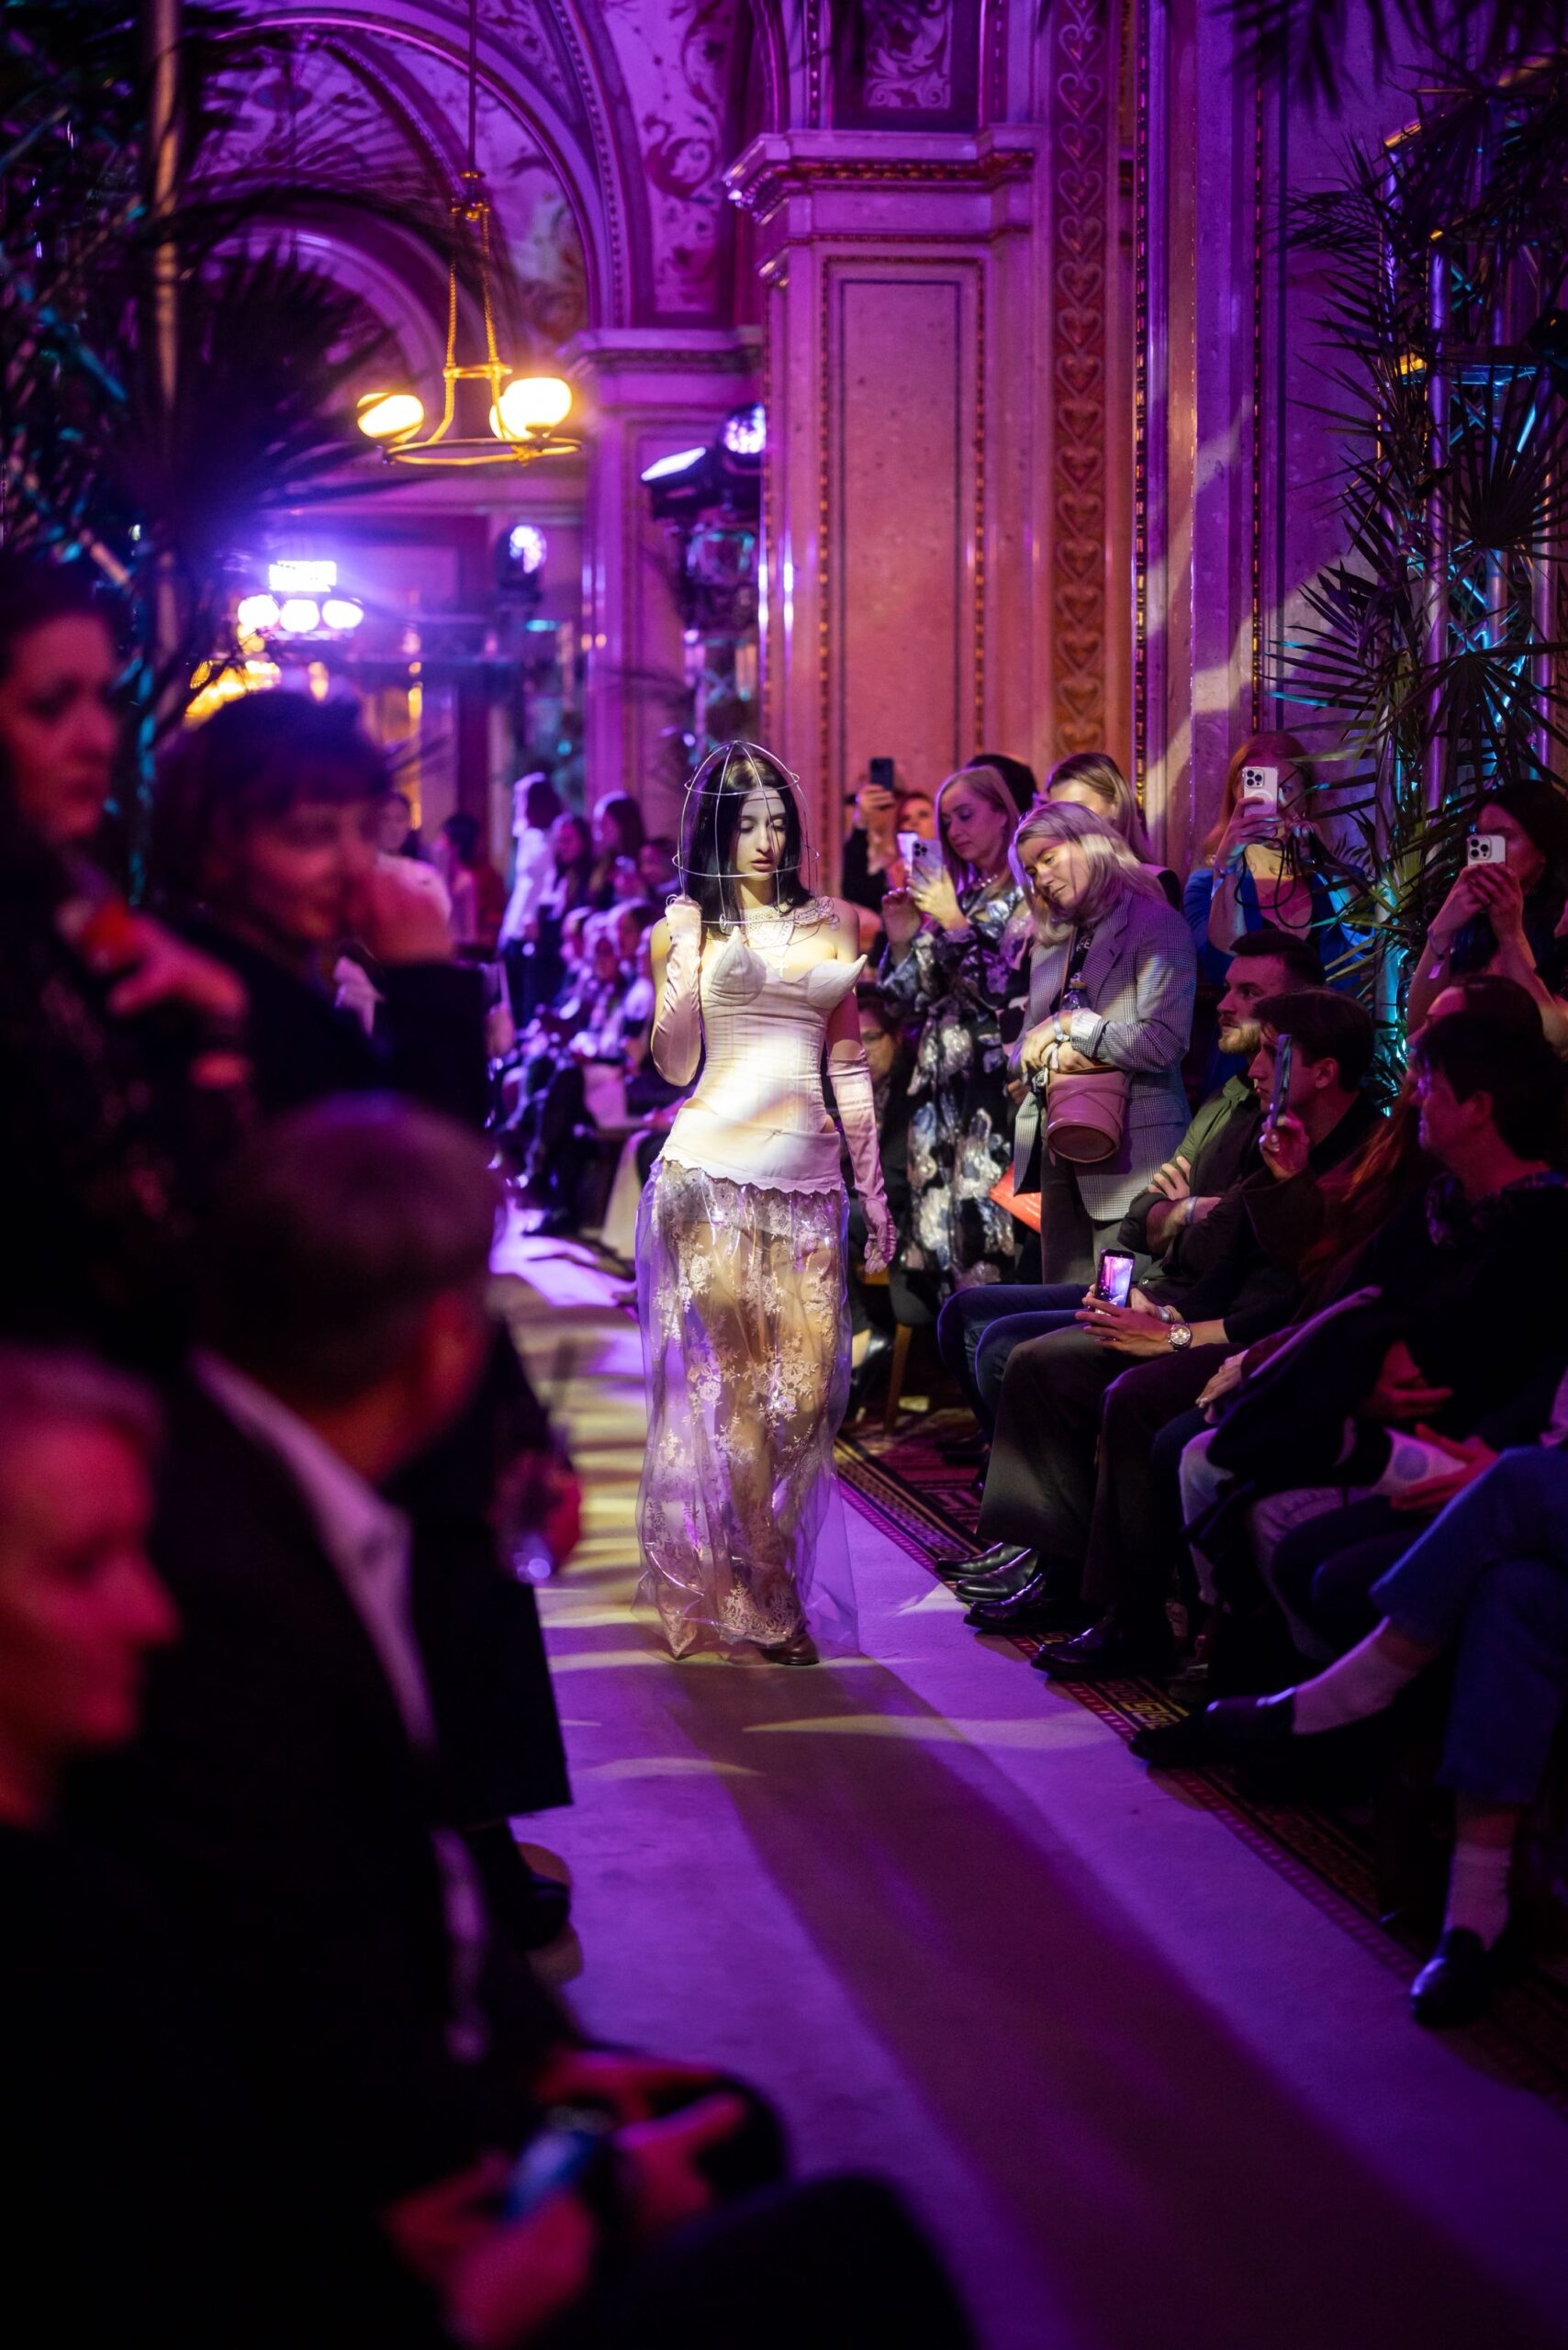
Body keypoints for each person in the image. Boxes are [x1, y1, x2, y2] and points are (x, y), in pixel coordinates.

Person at [955, 989, 1378, 1652]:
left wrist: (1175, 1336)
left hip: (1273, 1343)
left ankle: (1135, 1618)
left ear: (1325, 1071)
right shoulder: (1271, 1130)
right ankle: (1058, 1573)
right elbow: (1217, 1254)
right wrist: (1169, 1310)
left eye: (1273, 1054)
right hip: (1214, 1315)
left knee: (1130, 1395)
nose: (1255, 1067)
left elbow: (1305, 1293)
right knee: (1041, 1359)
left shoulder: (1366, 1155)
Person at [636, 743, 895, 1662]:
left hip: (810, 1179)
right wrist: (682, 959)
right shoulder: (681, 929)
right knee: (741, 1385)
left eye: (778, 822)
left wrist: (874, 1190)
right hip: (706, 1172)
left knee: (809, 1393)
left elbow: (847, 1065)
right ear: (715, 831)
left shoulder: (834, 923)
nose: (765, 840)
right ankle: (769, 1572)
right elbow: (674, 1064)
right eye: (746, 824)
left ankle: (756, 1543)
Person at [934, 926, 1322, 1444]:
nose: (1224, 1005)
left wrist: (1178, 1229)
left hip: (1180, 1304)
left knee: (1006, 1346)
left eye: (1248, 993)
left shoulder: (1284, 1128)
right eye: (1228, 988)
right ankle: (1016, 1458)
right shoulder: (1226, 1097)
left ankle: (1052, 1478)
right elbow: (1144, 1220)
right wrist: (1182, 1212)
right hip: (1157, 1285)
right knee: (964, 1314)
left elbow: (1219, 1244)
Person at [0, 553, 249, 1357]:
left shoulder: (71, 903)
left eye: (103, 701)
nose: (97, 739)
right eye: (51, 706)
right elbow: (159, 1250)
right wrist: (218, 1035)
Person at [151, 691, 490, 1125]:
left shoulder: (279, 980)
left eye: (367, 828)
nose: (356, 863)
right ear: (219, 845)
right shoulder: (208, 1002)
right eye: (311, 834)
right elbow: (425, 1154)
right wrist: (424, 979)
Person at [1006, 798, 1197, 1282]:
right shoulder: (1051, 944)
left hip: (1133, 1163)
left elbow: (1164, 1043)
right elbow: (1021, 1053)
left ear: (1089, 844)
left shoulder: (1156, 925)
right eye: (1032, 871)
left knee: (1118, 1308)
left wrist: (1074, 1027)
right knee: (1061, 1316)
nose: (1041, 878)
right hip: (1060, 1160)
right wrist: (1050, 1059)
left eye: (1049, 858)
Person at [878, 762, 1029, 1295]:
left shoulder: (1029, 897)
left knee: (983, 1241)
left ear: (1003, 814)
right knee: (940, 1246)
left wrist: (953, 922)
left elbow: (1003, 992)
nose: (954, 831)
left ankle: (988, 1342)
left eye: (965, 815)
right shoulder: (965, 894)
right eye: (947, 822)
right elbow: (904, 1000)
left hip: (990, 1090)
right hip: (941, 1090)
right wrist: (902, 937)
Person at [1184, 731, 1357, 988]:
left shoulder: (1341, 877)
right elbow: (1220, 969)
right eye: (1259, 788)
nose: (1274, 802)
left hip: (1328, 1013)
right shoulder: (1204, 885)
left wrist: (1322, 863)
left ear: (1307, 797)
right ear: (1235, 796)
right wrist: (1227, 866)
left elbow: (1367, 945)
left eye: (1285, 789)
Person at [1405, 778, 1568, 1045]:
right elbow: (1420, 1029)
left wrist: (1511, 935)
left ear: (1544, 849)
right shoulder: (1472, 922)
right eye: (1482, 838)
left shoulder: (1563, 922)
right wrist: (1441, 931)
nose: (1490, 852)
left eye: (1503, 838)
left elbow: (1554, 1039)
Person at [1045, 749, 1180, 907]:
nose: (1066, 821)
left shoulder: (1154, 882)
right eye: (1059, 813)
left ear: (1115, 805)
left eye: (1078, 808)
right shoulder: (1054, 885)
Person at [498, 772, 562, 953]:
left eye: (521, 799)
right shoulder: (528, 838)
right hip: (518, 919)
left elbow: (544, 884)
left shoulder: (551, 840)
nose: (516, 805)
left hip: (534, 922)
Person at [438, 811, 509, 956]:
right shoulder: (440, 874)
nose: (438, 844)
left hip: (473, 953)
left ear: (456, 846)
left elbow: (493, 923)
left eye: (443, 839)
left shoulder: (486, 876)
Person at [587, 789, 645, 909]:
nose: (598, 832)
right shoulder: (604, 862)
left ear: (623, 823)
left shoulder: (645, 859)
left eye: (603, 824)